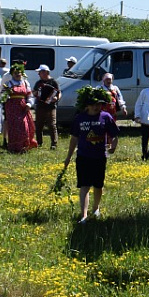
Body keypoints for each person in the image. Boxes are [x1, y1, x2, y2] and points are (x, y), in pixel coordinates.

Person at [62, 86, 119, 221]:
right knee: (84, 185)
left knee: (98, 185)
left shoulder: (106, 117)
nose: (97, 107)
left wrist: (113, 147)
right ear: (86, 105)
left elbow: (115, 135)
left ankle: (96, 208)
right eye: (94, 104)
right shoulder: (80, 118)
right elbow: (74, 138)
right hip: (83, 157)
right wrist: (68, 157)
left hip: (99, 157)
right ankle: (84, 215)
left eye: (99, 104)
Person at [2, 62, 37, 153]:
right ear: (12, 74)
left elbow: (30, 96)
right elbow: (2, 96)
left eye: (19, 73)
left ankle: (24, 146)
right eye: (15, 73)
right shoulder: (8, 84)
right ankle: (14, 147)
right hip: (12, 108)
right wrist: (6, 95)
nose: (17, 75)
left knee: (24, 126)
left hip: (22, 107)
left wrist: (29, 104)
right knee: (14, 127)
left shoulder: (25, 83)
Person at [32, 65, 62, 150]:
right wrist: (35, 93)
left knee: (52, 125)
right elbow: (34, 91)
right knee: (39, 125)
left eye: (40, 72)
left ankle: (54, 144)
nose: (39, 74)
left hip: (51, 107)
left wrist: (56, 98)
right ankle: (39, 142)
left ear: (46, 72)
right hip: (40, 106)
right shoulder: (38, 83)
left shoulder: (53, 82)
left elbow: (59, 93)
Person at [135, 75, 149, 159]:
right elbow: (139, 104)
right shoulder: (144, 92)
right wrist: (137, 116)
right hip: (145, 119)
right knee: (145, 138)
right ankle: (144, 153)